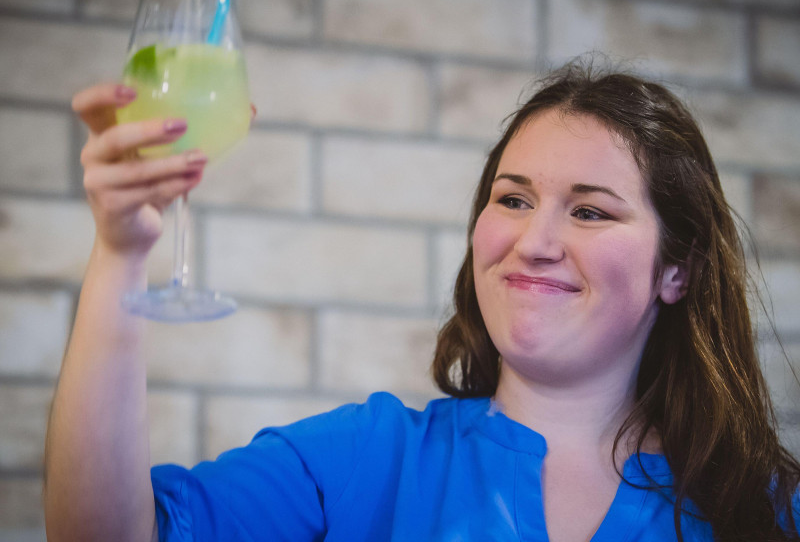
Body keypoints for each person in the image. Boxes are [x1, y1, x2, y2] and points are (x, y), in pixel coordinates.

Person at [43, 60, 800, 542]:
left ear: (679, 271)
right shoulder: (366, 458)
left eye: (590, 210)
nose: (534, 240)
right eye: (513, 198)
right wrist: (121, 254)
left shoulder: (766, 509)